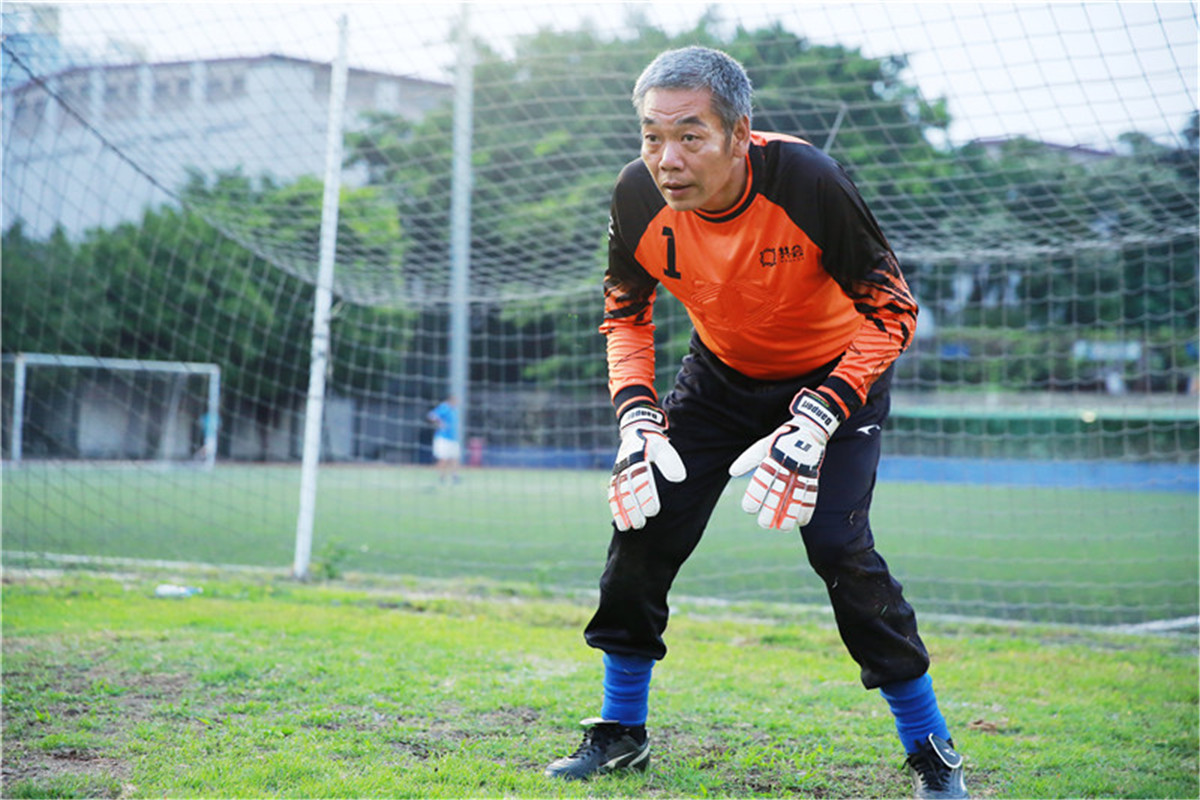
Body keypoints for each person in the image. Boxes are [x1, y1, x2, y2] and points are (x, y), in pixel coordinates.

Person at [543, 46, 968, 799]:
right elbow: (624, 314)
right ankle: (620, 731)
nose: (666, 159)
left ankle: (932, 752)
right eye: (650, 136)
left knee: (838, 544)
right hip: (720, 378)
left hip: (836, 380)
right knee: (645, 524)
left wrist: (820, 413)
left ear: (740, 134)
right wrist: (635, 417)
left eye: (689, 136)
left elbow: (894, 311)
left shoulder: (808, 181)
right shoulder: (637, 196)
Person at [426, 395, 461, 484]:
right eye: (456, 400)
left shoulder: (454, 409)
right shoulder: (444, 407)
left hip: (453, 439)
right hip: (443, 439)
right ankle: (441, 477)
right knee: (443, 459)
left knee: (454, 458)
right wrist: (440, 423)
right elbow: (431, 415)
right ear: (451, 400)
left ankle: (455, 476)